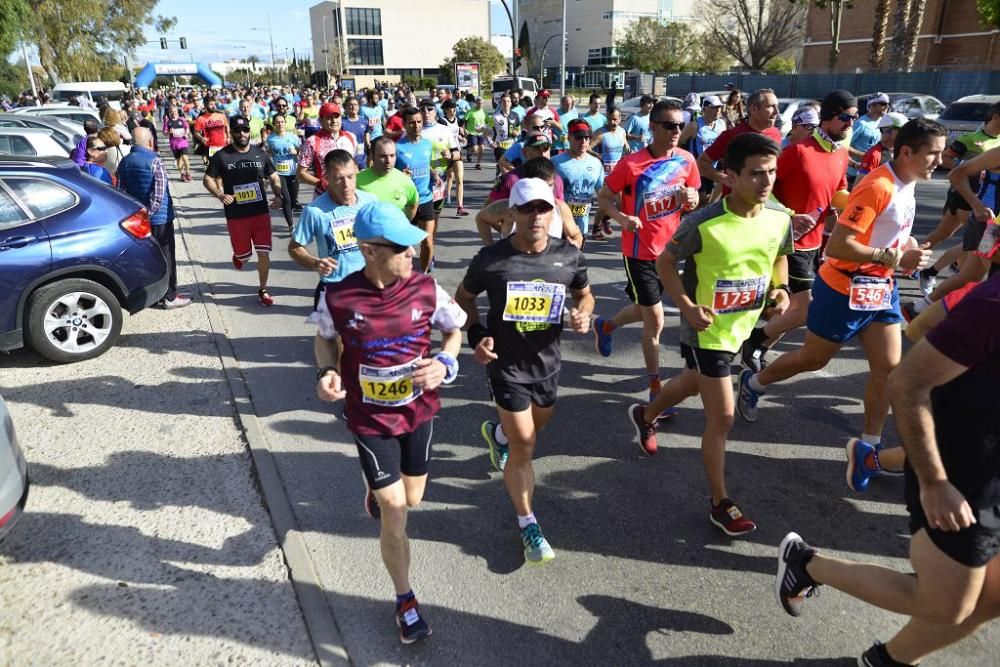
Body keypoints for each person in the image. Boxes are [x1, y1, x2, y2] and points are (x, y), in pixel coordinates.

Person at [776, 273, 1000, 667]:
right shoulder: (992, 304)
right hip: (964, 474)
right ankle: (806, 564)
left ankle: (887, 661)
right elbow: (906, 384)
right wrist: (934, 482)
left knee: (994, 598)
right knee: (946, 606)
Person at [737, 119, 947, 492]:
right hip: (843, 287)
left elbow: (887, 231)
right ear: (907, 152)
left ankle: (868, 448)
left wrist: (908, 246)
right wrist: (897, 257)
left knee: (888, 369)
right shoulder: (879, 186)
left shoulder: (908, 181)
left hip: (880, 289)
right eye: (932, 153)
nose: (939, 160)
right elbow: (837, 246)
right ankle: (754, 382)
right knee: (812, 359)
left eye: (941, 153)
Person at [313, 200, 466, 645]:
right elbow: (324, 341)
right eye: (402, 247)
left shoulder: (426, 289)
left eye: (414, 245)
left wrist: (445, 364)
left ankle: (379, 490)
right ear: (370, 251)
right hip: (369, 418)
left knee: (412, 498)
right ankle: (405, 599)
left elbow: (455, 332)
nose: (412, 253)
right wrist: (326, 373)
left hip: (418, 411)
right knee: (395, 512)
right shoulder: (338, 296)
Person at [629, 133, 793, 536]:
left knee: (689, 382)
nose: (766, 181)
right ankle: (721, 502)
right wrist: (686, 307)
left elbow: (779, 257)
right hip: (708, 331)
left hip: (744, 325)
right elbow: (666, 263)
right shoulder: (704, 223)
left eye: (771, 172)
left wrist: (781, 290)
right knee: (721, 416)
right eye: (756, 174)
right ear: (730, 177)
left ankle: (645, 414)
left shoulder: (778, 216)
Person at [454, 178, 594, 565]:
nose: (536, 216)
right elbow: (463, 300)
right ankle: (528, 524)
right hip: (506, 366)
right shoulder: (492, 260)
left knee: (536, 426)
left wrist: (584, 313)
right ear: (512, 213)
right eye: (527, 208)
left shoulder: (568, 256)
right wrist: (478, 334)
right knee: (526, 447)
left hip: (547, 363)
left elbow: (584, 292)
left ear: (553, 212)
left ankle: (497, 435)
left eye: (543, 208)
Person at [738, 90, 857, 373]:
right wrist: (790, 215)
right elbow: (760, 189)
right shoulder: (798, 152)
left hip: (815, 243)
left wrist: (846, 204)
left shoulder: (840, 154)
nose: (849, 124)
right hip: (787, 242)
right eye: (844, 118)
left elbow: (838, 190)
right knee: (804, 309)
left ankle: (756, 347)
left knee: (791, 309)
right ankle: (754, 340)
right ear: (827, 117)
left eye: (853, 118)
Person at [591, 100, 700, 406]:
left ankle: (606, 325)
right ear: (653, 128)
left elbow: (693, 201)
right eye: (669, 125)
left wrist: (691, 199)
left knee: (643, 308)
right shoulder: (632, 164)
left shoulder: (687, 161)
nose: (676, 131)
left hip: (669, 253)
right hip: (638, 251)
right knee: (655, 317)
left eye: (680, 125)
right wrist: (622, 219)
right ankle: (656, 387)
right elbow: (604, 197)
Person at [913, 101, 1000, 297]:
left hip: (982, 200)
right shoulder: (973, 138)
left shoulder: (998, 140)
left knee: (944, 235)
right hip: (968, 196)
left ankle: (918, 266)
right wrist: (969, 166)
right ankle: (931, 271)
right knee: (971, 244)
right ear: (995, 116)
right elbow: (946, 158)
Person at [289, 148, 377, 324]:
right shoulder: (315, 211)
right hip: (335, 288)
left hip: (370, 286)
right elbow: (295, 247)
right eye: (338, 178)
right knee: (336, 345)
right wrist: (315, 262)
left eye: (350, 177)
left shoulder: (371, 202)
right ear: (327, 179)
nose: (346, 184)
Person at [203, 115, 284, 307]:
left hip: (260, 213)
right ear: (231, 132)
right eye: (238, 130)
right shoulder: (221, 156)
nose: (242, 134)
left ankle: (263, 289)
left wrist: (278, 193)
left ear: (249, 131)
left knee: (263, 253)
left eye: (245, 130)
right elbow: (207, 179)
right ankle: (240, 255)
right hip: (236, 216)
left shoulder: (260, 154)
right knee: (244, 256)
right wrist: (220, 195)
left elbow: (273, 175)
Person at [117, 127, 190, 310]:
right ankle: (170, 295)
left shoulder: (124, 162)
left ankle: (151, 296)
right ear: (150, 142)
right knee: (166, 256)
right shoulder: (155, 161)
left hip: (136, 219)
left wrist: (139, 214)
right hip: (159, 218)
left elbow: (121, 190)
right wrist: (149, 213)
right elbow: (158, 194)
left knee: (147, 258)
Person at [476, 157, 583, 248]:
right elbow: (481, 218)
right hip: (515, 269)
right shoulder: (509, 206)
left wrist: (574, 248)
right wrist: (490, 249)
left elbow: (576, 234)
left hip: (548, 268)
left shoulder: (559, 207)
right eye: (541, 185)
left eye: (550, 185)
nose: (546, 190)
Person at [697, 89, 781, 195]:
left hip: (764, 203)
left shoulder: (776, 134)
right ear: (754, 109)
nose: (777, 111)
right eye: (770, 106)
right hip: (735, 206)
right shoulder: (732, 136)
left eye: (777, 106)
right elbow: (701, 163)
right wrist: (724, 178)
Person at [394, 107, 441, 273]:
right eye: (412, 123)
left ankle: (423, 274)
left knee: (427, 242)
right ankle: (400, 276)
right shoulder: (397, 148)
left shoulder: (427, 144)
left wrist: (434, 174)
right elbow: (388, 174)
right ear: (405, 124)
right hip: (406, 203)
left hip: (426, 198)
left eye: (419, 122)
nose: (416, 126)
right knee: (403, 244)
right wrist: (400, 175)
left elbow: (425, 164)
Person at [552, 119, 604, 239]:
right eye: (579, 137)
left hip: (582, 227)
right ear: (569, 137)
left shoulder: (596, 163)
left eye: (587, 138)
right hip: (560, 227)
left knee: (578, 257)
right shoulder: (555, 162)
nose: (583, 142)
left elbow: (602, 193)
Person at [297, 102, 358, 201]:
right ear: (321, 121)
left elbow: (355, 167)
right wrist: (321, 183)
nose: (334, 121)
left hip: (349, 195)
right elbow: (300, 173)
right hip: (324, 196)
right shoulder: (312, 141)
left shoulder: (351, 137)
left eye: (336, 117)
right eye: (329, 118)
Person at [489, 130, 566, 203]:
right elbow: (485, 215)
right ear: (525, 152)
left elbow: (561, 210)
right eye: (536, 149)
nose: (542, 154)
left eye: (546, 148)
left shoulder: (557, 179)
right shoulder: (509, 180)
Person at [589, 106, 630, 239]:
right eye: (610, 119)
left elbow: (625, 146)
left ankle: (604, 219)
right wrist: (597, 155)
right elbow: (587, 147)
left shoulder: (622, 132)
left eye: (616, 119)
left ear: (619, 119)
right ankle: (597, 227)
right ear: (607, 118)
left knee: (618, 204)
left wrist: (629, 151)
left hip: (618, 173)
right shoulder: (600, 133)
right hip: (604, 174)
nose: (613, 122)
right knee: (608, 201)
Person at [357, 137, 419, 221]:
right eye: (383, 156)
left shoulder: (405, 180)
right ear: (372, 155)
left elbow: (413, 204)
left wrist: (403, 225)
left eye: (392, 155)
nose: (388, 161)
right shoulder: (356, 181)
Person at [265, 113, 302, 231]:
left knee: (292, 199)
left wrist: (296, 151)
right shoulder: (271, 139)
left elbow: (302, 151)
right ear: (274, 124)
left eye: (282, 122)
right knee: (286, 199)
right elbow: (269, 152)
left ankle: (293, 219)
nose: (280, 124)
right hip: (279, 173)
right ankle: (291, 225)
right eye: (277, 122)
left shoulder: (293, 137)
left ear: (285, 123)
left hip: (293, 172)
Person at [848, 92, 890, 185]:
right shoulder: (861, 123)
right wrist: (863, 155)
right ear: (873, 105)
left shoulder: (882, 122)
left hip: (873, 173)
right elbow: (845, 145)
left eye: (888, 104)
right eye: (883, 104)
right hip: (855, 174)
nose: (887, 106)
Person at [856, 112, 908, 180]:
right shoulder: (874, 155)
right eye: (901, 130)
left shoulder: (901, 151)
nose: (905, 134)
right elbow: (859, 186)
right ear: (887, 131)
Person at [438, 100, 468, 215]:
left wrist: (463, 135)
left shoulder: (458, 121)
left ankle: (460, 207)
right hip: (445, 152)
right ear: (445, 109)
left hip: (456, 151)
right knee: (446, 177)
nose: (454, 109)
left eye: (454, 107)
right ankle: (442, 198)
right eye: (451, 108)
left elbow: (460, 135)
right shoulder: (442, 121)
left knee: (459, 179)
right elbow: (439, 137)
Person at [192, 96, 229, 164]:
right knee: (216, 165)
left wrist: (229, 137)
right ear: (205, 105)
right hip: (211, 147)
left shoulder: (221, 116)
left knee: (224, 166)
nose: (213, 106)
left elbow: (227, 126)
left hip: (223, 146)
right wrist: (202, 138)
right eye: (211, 104)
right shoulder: (201, 119)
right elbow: (196, 132)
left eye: (214, 104)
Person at [163, 106, 192, 182]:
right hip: (174, 143)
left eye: (175, 111)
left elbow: (187, 128)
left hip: (183, 141)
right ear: (169, 113)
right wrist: (169, 132)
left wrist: (186, 133)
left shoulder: (182, 120)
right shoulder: (167, 121)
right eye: (171, 111)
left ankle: (188, 173)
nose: (173, 113)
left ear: (177, 112)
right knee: (179, 160)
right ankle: (182, 173)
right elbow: (164, 132)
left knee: (185, 157)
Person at [341, 96, 370, 169]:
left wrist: (368, 143)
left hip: (362, 157)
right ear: (346, 107)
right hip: (347, 158)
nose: (353, 107)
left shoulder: (364, 121)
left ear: (358, 106)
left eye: (355, 104)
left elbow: (366, 133)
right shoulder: (342, 122)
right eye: (350, 105)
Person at [464, 96, 488, 169]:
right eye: (478, 103)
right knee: (475, 149)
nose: (480, 104)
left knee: (482, 148)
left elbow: (487, 122)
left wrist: (485, 128)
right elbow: (464, 120)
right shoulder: (470, 111)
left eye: (481, 103)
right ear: (475, 103)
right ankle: (469, 151)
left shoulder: (484, 112)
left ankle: (478, 164)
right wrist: (465, 129)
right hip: (472, 132)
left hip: (481, 133)